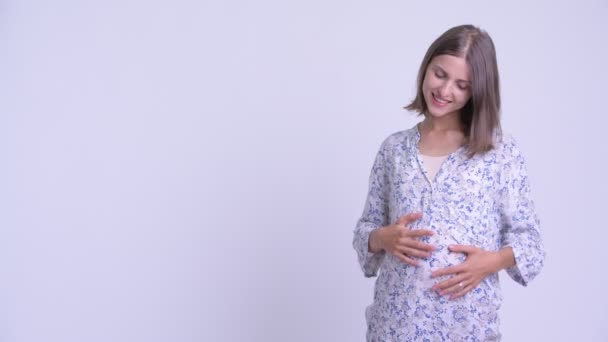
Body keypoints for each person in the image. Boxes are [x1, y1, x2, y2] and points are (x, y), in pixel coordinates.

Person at [352, 24, 545, 341]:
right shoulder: (393, 150)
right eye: (440, 74)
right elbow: (365, 230)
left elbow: (531, 245)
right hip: (394, 326)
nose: (445, 91)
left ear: (477, 91)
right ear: (426, 66)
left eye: (462, 85)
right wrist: (381, 238)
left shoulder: (500, 152)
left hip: (466, 326)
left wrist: (491, 262)